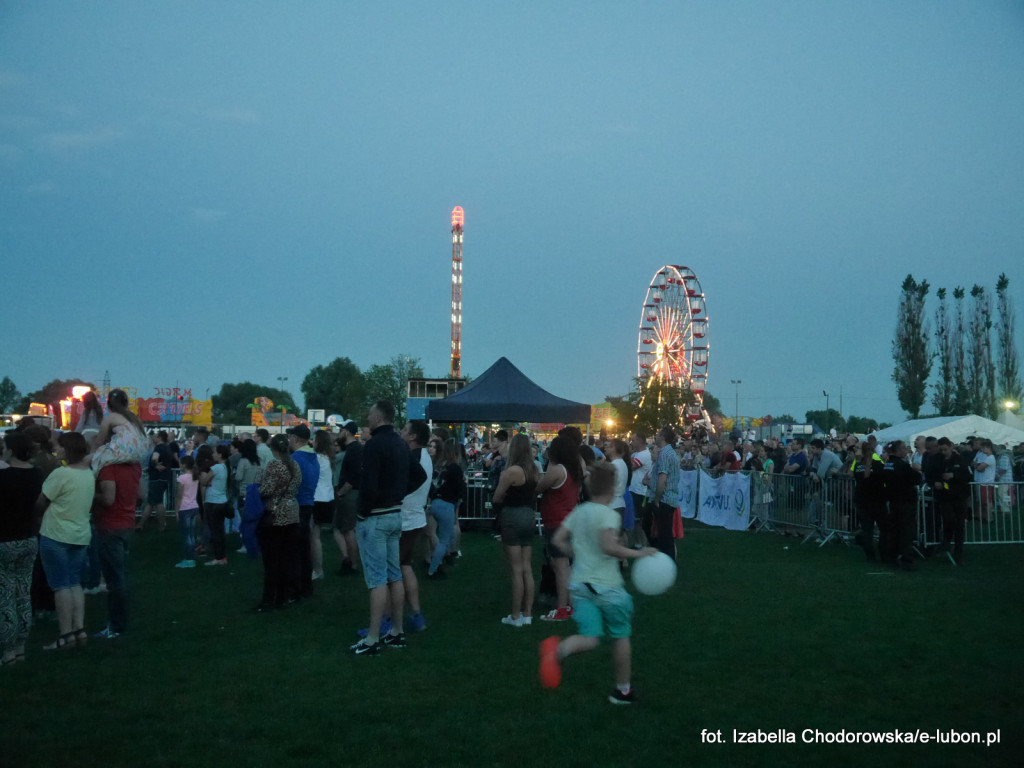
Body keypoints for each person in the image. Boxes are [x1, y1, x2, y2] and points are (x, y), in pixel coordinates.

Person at [539, 461, 658, 704]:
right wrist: (639, 553)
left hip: (580, 587)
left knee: (590, 638)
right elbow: (608, 547)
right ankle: (622, 691)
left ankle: (557, 651)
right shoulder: (608, 515)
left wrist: (578, 553)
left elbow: (558, 540)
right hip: (608, 588)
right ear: (613, 489)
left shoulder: (580, 511)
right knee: (621, 636)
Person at [348, 402, 409, 655]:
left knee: (377, 579)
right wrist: (398, 493)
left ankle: (372, 638)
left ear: (379, 417)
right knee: (395, 575)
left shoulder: (374, 445)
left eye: (370, 414)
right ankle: (396, 631)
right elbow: (416, 474)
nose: (367, 418)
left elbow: (369, 484)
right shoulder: (401, 443)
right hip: (395, 514)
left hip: (376, 517)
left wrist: (363, 512)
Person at [37, 432, 95, 648]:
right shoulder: (88, 474)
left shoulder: (60, 474)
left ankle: (65, 634)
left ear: (67, 449)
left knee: (60, 585)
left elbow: (41, 501)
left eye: (58, 446)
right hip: (80, 534)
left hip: (56, 533)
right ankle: (79, 629)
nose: (56, 450)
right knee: (74, 582)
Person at [0, 431, 44, 663]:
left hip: (5, 539)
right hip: (29, 537)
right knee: (23, 593)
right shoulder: (36, 474)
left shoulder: (4, 477)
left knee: (6, 596)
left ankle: (7, 651)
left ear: (10, 450)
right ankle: (20, 647)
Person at [492, 433, 538, 627]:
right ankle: (528, 613)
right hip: (529, 516)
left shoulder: (510, 472)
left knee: (516, 569)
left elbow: (497, 497)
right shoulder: (534, 470)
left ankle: (515, 615)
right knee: (527, 567)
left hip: (512, 516)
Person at [536, 435, 584, 622]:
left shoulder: (557, 470)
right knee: (564, 565)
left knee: (561, 566)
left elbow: (539, 488)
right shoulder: (574, 470)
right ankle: (570, 604)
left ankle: (562, 608)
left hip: (557, 522)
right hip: (568, 520)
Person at [256, 434, 301, 611]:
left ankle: (268, 599)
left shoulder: (275, 465)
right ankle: (282, 597)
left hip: (275, 514)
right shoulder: (294, 464)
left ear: (272, 448)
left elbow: (267, 489)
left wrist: (257, 487)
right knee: (285, 558)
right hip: (292, 512)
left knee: (271, 560)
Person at [397, 420, 431, 633]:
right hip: (415, 516)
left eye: (404, 430)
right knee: (404, 565)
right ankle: (416, 615)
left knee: (393, 572)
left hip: (406, 518)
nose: (400, 432)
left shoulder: (413, 458)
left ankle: (389, 619)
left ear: (413, 436)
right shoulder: (424, 455)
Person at [426, 438, 465, 580]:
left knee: (435, 534)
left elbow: (432, 485)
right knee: (444, 540)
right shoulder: (456, 468)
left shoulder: (439, 466)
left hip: (435, 503)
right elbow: (460, 490)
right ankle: (433, 569)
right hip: (447, 505)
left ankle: (435, 561)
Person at [287, 425, 319, 597]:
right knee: (304, 548)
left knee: (293, 550)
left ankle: (294, 588)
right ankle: (306, 586)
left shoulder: (295, 459)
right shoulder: (314, 457)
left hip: (295, 505)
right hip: (308, 504)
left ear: (295, 438)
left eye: (290, 437)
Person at [90, 389, 149, 473]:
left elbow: (98, 442)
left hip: (122, 454)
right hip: (138, 455)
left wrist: (91, 455)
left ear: (108, 404)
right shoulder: (134, 418)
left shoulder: (110, 417)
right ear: (126, 403)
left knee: (95, 458)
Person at [933, 437, 971, 565]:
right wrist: (935, 482)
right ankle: (946, 542)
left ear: (950, 447)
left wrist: (954, 475)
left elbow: (968, 476)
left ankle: (958, 553)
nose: (943, 452)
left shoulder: (960, 459)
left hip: (959, 495)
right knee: (949, 519)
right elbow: (930, 473)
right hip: (944, 495)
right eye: (941, 450)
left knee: (960, 525)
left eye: (945, 449)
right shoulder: (937, 459)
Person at [881, 441, 918, 571]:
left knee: (895, 530)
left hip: (894, 501)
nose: (906, 450)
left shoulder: (888, 464)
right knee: (906, 531)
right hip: (905, 500)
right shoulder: (902, 465)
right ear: (897, 450)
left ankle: (892, 555)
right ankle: (906, 559)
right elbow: (916, 478)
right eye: (903, 448)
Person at [333, 420, 362, 575]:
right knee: (346, 530)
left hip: (350, 494)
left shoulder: (354, 450)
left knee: (349, 530)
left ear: (347, 432)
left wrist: (340, 492)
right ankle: (349, 562)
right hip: (350, 493)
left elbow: (353, 477)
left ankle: (353, 564)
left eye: (341, 430)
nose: (339, 433)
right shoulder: (353, 448)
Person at [649, 427, 680, 559]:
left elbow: (663, 478)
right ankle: (666, 559)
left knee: (664, 535)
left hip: (664, 499)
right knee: (664, 533)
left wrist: (657, 498)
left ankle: (667, 560)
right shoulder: (670, 453)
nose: (655, 436)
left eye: (658, 434)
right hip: (669, 498)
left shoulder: (664, 454)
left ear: (662, 437)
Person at [310, 431, 336, 582]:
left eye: (314, 439)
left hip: (317, 499)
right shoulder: (327, 458)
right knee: (315, 536)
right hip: (326, 499)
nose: (312, 442)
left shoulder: (318, 459)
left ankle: (318, 570)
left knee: (314, 537)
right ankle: (316, 568)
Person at [200, 444, 232, 566]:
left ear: (220, 454)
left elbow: (204, 481)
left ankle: (218, 557)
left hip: (213, 501)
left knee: (215, 531)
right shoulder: (225, 467)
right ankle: (222, 557)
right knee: (220, 530)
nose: (213, 454)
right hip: (221, 500)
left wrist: (204, 479)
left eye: (215, 452)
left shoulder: (216, 467)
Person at [138, 430, 176, 532]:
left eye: (155, 436)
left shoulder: (158, 448)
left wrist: (155, 465)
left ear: (159, 438)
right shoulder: (167, 448)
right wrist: (150, 468)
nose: (153, 438)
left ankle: (162, 525)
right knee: (151, 502)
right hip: (164, 477)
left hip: (157, 478)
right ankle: (140, 524)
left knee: (158, 502)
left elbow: (155, 458)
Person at [233, 439, 261, 555]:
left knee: (244, 521)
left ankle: (245, 544)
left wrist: (234, 474)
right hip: (256, 493)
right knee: (255, 521)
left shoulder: (243, 461)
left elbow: (239, 477)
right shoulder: (258, 461)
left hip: (244, 492)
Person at [173, 456, 201, 568]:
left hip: (185, 508)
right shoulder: (195, 476)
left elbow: (179, 496)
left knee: (186, 535)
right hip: (194, 506)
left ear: (184, 465)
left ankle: (189, 559)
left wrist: (176, 511)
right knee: (191, 534)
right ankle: (191, 556)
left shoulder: (182, 478)